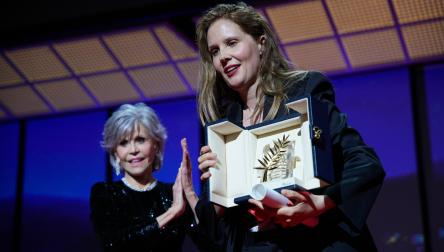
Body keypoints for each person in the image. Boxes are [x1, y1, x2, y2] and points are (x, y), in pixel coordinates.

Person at [181, 2, 386, 251]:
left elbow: (364, 163)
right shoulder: (221, 129)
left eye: (232, 43)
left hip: (319, 242)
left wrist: (319, 204)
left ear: (261, 42)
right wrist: (211, 197)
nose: (223, 56)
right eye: (214, 51)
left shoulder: (304, 90)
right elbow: (218, 233)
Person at [89, 103, 204, 251]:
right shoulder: (105, 193)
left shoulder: (173, 193)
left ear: (155, 145)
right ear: (116, 153)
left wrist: (189, 192)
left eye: (140, 139)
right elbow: (115, 243)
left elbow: (208, 243)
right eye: (124, 143)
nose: (133, 150)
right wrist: (172, 212)